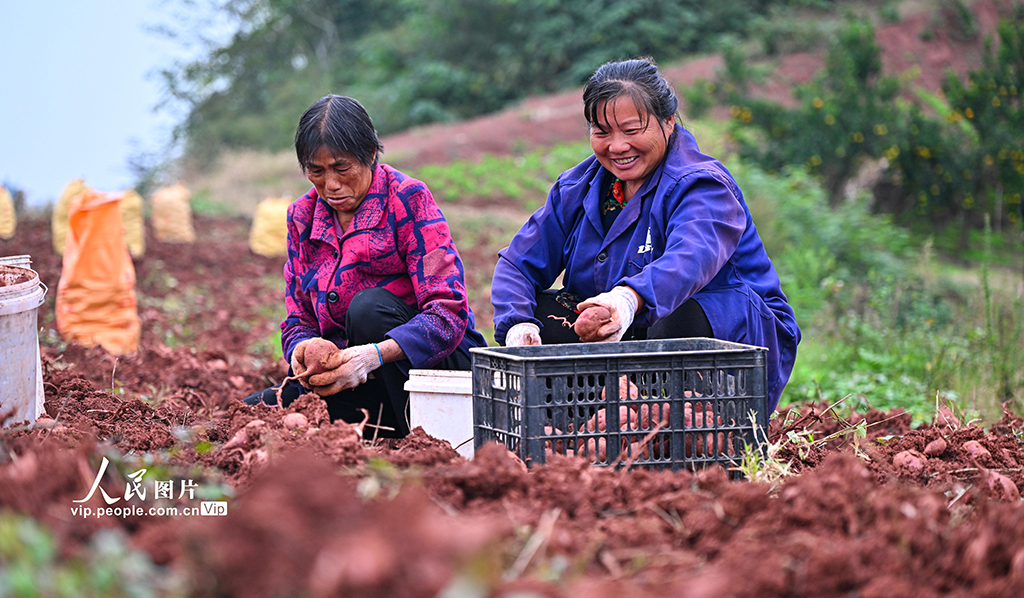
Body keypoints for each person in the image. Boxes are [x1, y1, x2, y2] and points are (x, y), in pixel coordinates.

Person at [490, 58, 800, 413]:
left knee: (680, 322)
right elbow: (518, 262)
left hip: (732, 334)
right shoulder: (578, 187)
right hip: (631, 335)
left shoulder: (702, 186)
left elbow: (690, 259)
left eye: (632, 129)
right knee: (543, 316)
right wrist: (518, 324)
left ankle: (682, 430)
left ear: (668, 122)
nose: (617, 146)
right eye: (602, 131)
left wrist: (628, 298)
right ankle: (585, 432)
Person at [244, 94, 486, 437]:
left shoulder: (407, 198)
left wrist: (371, 356)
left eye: (342, 168)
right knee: (258, 409)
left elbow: (449, 314)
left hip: (431, 375)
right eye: (316, 171)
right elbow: (297, 318)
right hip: (357, 382)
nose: (331, 184)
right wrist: (304, 352)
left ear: (370, 154)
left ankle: (422, 437)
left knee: (368, 309)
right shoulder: (302, 216)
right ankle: (378, 428)